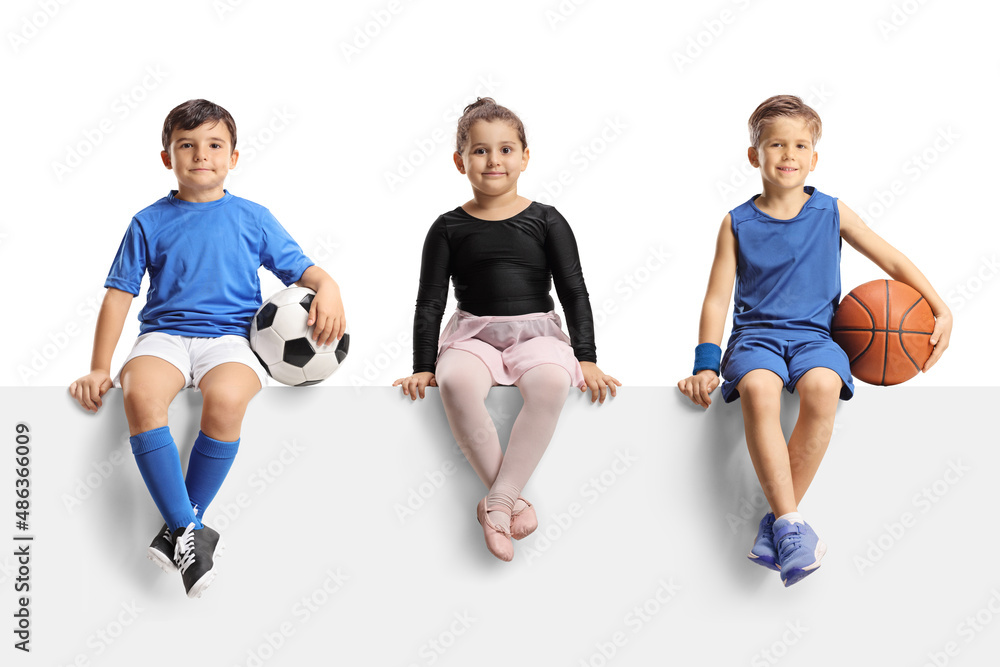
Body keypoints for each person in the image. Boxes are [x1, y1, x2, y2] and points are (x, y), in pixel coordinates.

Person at [68, 99, 346, 597]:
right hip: (164, 337)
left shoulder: (253, 218)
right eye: (187, 145)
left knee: (228, 399)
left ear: (234, 157)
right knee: (140, 397)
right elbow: (118, 296)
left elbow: (306, 271)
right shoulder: (147, 221)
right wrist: (97, 367)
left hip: (230, 340)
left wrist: (331, 288)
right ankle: (192, 530)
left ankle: (179, 529)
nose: (202, 155)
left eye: (215, 145)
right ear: (166, 157)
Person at [677, 95, 952, 587]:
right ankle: (790, 524)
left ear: (814, 158)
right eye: (776, 144)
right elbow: (717, 299)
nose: (788, 153)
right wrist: (705, 363)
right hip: (756, 337)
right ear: (753, 155)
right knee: (760, 389)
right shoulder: (736, 222)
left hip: (816, 337)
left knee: (823, 387)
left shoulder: (831, 211)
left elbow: (891, 260)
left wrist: (940, 306)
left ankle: (781, 523)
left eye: (800, 144)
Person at [394, 98, 620, 562]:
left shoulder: (547, 219)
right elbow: (430, 300)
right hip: (473, 335)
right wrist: (421, 365)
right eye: (479, 151)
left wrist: (587, 357)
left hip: (536, 333)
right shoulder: (447, 228)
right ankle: (508, 501)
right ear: (460, 161)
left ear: (524, 156)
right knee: (455, 380)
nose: (493, 160)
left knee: (553, 383)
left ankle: (495, 503)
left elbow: (575, 291)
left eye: (505, 149)